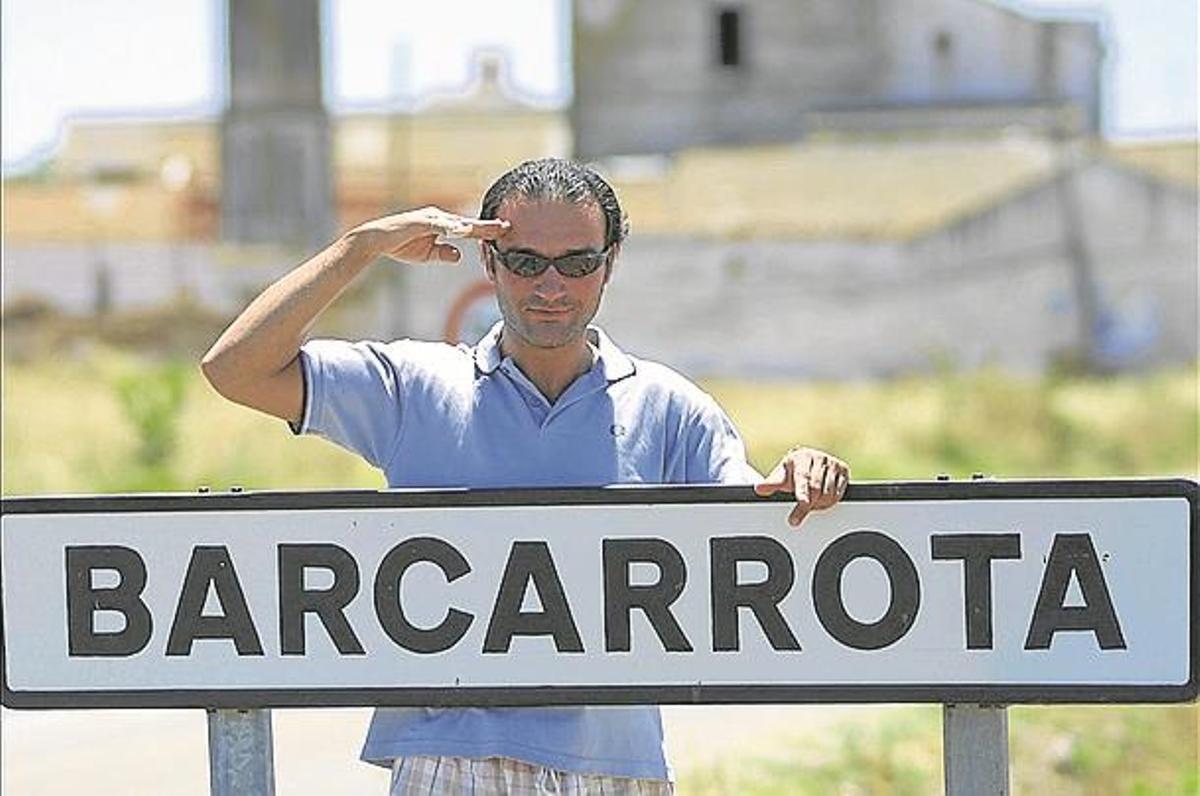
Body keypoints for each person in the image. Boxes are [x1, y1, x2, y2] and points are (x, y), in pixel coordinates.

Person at [201, 158, 849, 795]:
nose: (552, 286)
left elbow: (754, 519)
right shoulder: (414, 388)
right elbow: (235, 369)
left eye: (577, 263)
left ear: (610, 262)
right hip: (450, 755)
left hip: (615, 764)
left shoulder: (667, 406)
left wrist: (802, 474)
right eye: (526, 262)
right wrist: (362, 246)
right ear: (489, 262)